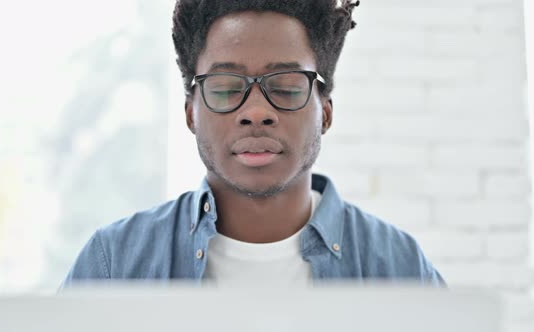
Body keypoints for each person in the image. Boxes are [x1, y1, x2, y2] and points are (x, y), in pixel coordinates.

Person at [62, 0, 444, 286]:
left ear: (325, 112)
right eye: (227, 88)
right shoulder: (113, 264)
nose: (257, 112)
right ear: (190, 113)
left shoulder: (400, 269)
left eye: (285, 85)